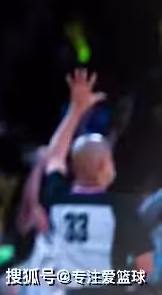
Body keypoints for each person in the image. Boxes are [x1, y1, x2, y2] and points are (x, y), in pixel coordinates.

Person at [33, 69, 153, 293]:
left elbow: (54, 157)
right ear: (101, 168)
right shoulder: (121, 208)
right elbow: (144, 268)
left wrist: (75, 110)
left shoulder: (57, 198)